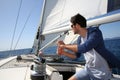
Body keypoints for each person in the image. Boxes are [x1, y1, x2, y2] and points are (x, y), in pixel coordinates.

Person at [57, 13, 120, 80]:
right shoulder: (79, 39)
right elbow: (76, 56)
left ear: (77, 25)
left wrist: (64, 46)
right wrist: (63, 53)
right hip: (88, 70)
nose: (71, 28)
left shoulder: (95, 33)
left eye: (72, 25)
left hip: (101, 74)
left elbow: (84, 47)